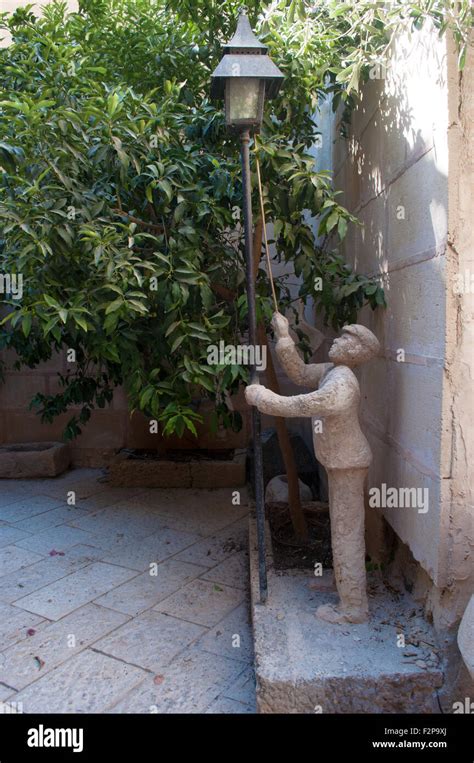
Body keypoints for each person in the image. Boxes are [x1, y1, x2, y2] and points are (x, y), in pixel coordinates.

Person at [245, 311, 380, 624]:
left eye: (346, 339)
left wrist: (262, 397)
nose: (337, 340)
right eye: (341, 335)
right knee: (341, 526)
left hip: (347, 461)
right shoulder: (333, 370)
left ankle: (352, 607)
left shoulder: (342, 383)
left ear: (357, 352)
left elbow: (301, 405)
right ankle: (342, 586)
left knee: (347, 532)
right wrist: (283, 336)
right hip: (339, 459)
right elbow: (300, 372)